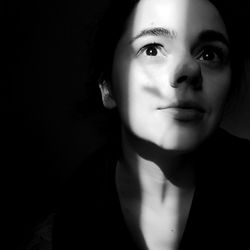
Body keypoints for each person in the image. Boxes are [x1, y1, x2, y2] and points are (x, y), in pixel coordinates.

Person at [25, 0, 250, 249]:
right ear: (107, 87)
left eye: (209, 54)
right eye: (152, 49)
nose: (189, 68)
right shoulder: (64, 225)